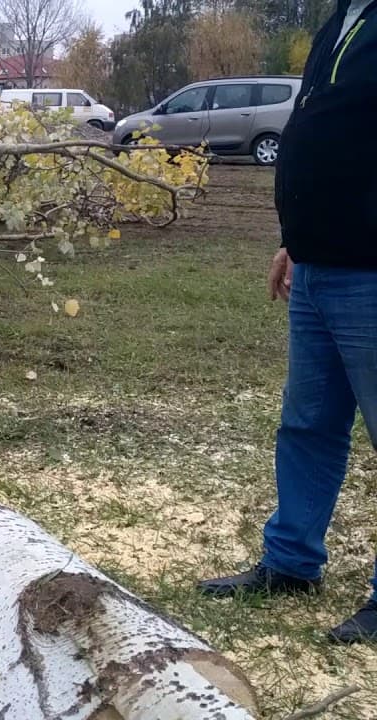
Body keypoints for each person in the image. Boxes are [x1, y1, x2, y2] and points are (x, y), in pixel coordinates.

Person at [196, 0, 377, 644]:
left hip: (369, 272)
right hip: (317, 264)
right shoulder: (340, 19)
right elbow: (323, 130)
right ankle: (292, 563)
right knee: (307, 425)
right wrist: (291, 239)